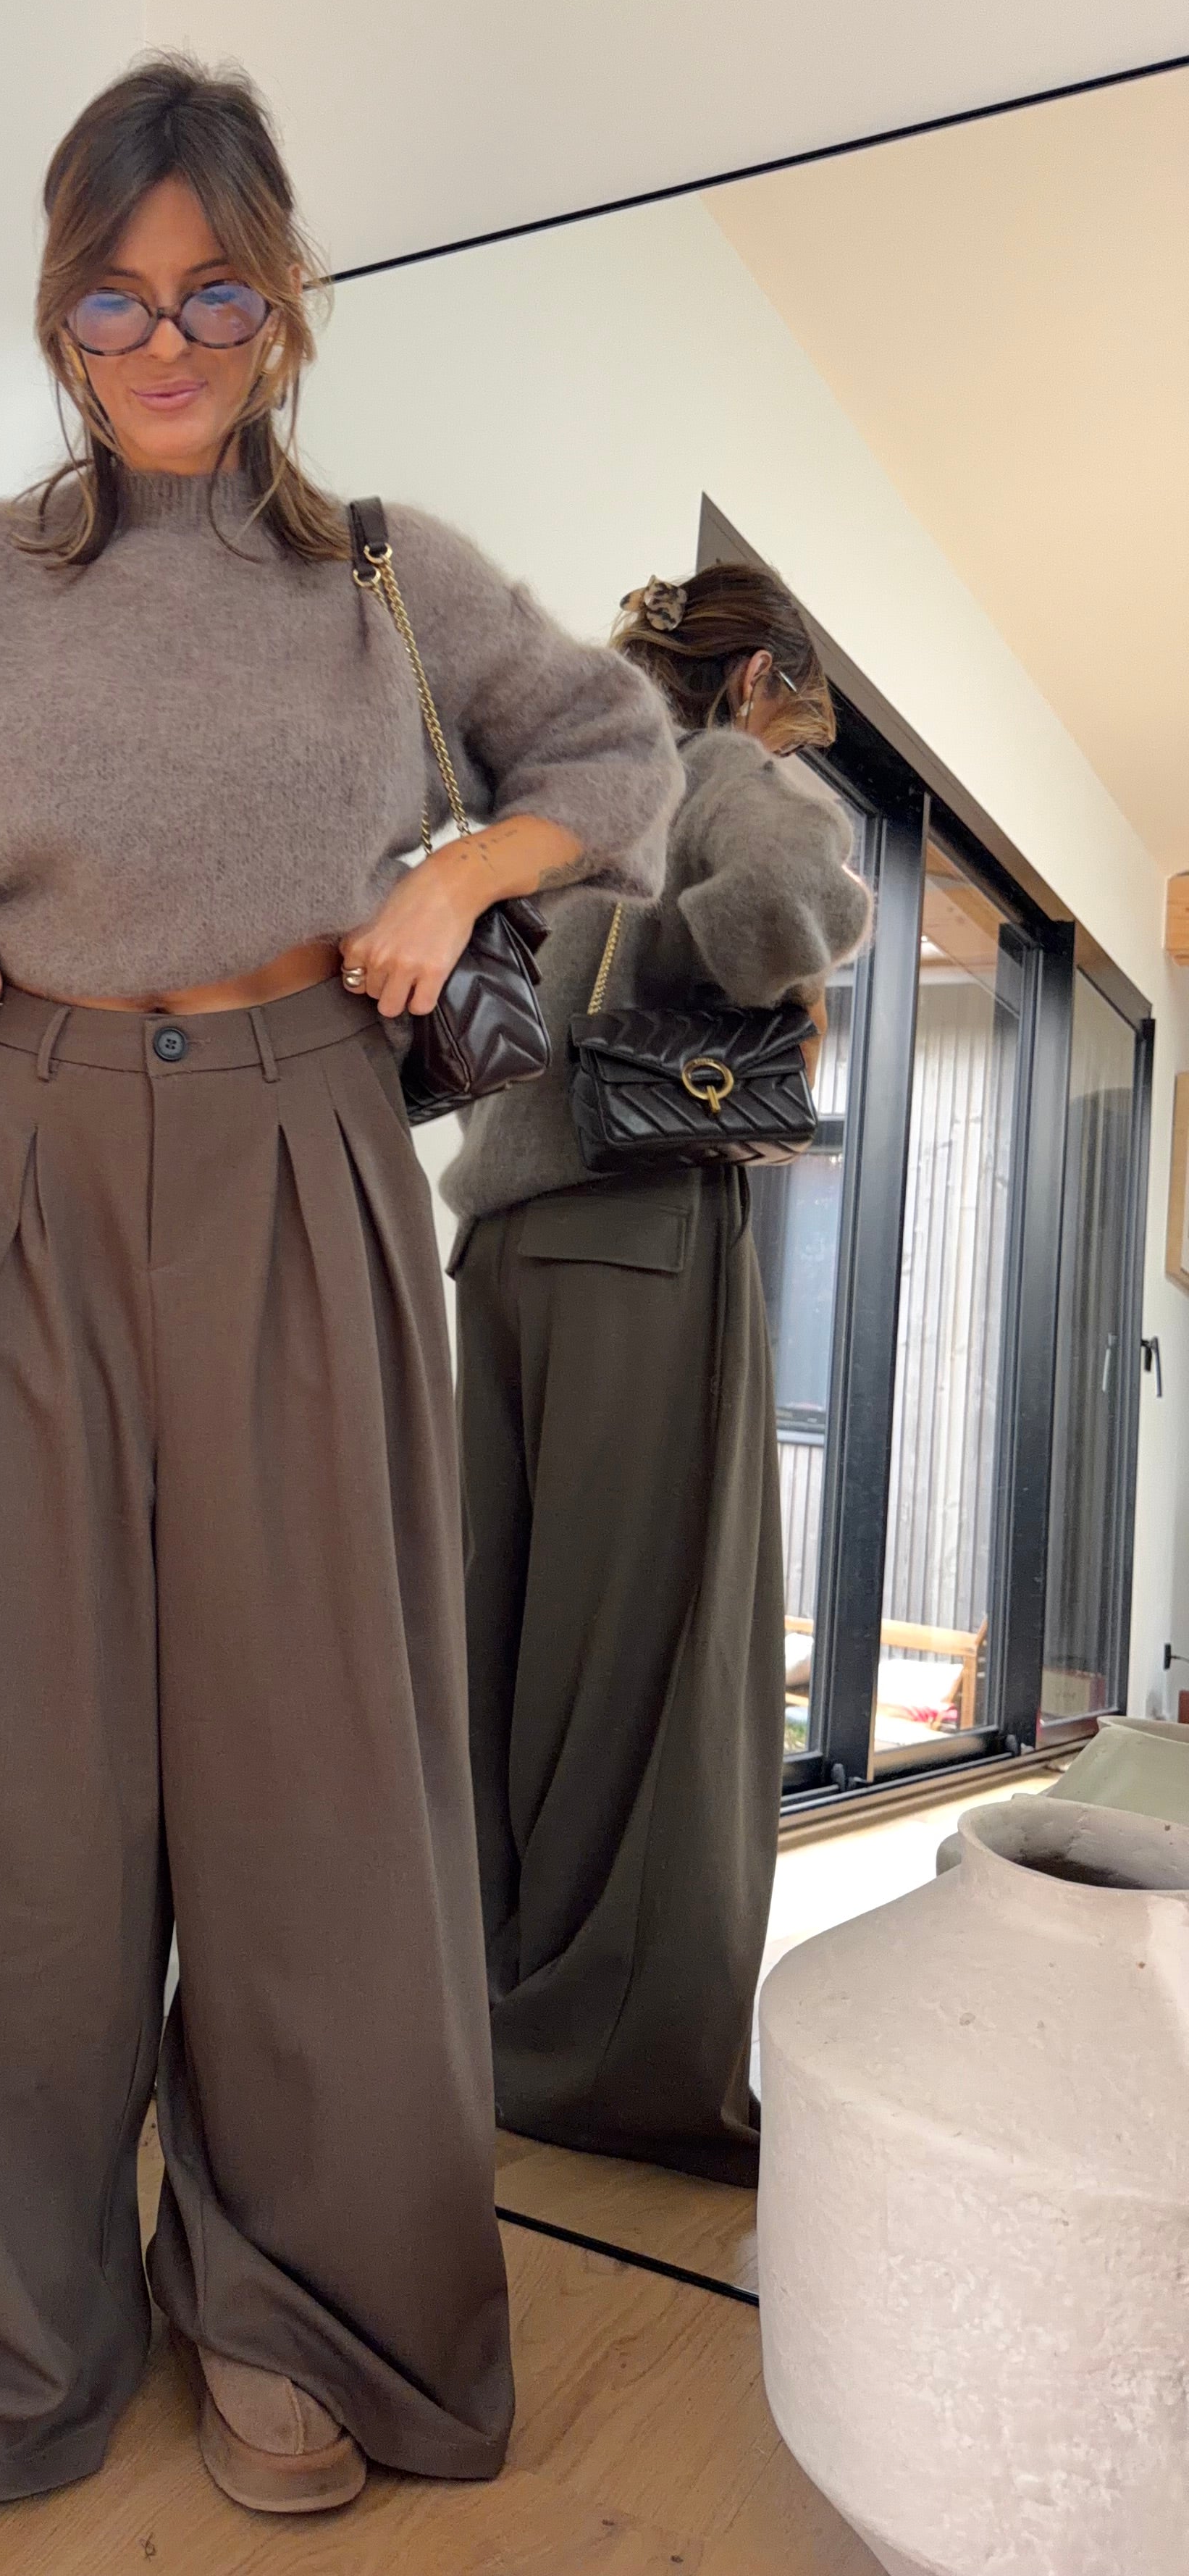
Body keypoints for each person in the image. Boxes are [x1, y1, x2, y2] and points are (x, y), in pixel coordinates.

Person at [0, 56, 682, 2514]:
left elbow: (614, 752)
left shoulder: (385, 580)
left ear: (283, 308)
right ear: (60, 317)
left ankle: (297, 2312)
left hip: (303, 1156)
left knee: (313, 1777)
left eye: (214, 293)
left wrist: (458, 875)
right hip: (32, 1155)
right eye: (116, 300)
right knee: (4, 1770)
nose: (165, 342)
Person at [444, 563, 873, 2186]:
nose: (791, 743)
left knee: (500, 1643)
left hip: (502, 1254)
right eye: (795, 716)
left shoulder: (557, 797)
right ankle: (606, 2071)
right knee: (655, 1652)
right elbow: (795, 897)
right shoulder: (717, 770)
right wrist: (706, 970)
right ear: (757, 678)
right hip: (637, 1231)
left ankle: (478, 2011)